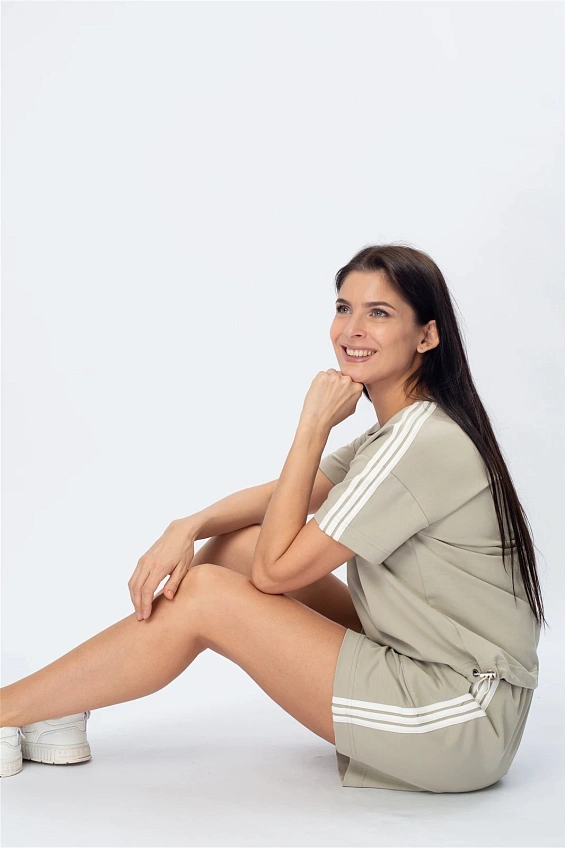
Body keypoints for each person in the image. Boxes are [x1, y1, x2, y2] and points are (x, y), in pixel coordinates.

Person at [0, 244, 546, 791]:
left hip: (457, 719)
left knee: (209, 595)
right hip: (433, 675)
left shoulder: (420, 444)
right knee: (233, 548)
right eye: (343, 308)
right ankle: (55, 707)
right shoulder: (401, 433)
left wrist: (313, 425)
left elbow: (275, 573)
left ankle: (9, 708)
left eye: (378, 313)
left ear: (426, 336)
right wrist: (187, 526)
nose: (352, 329)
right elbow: (283, 498)